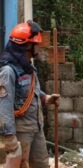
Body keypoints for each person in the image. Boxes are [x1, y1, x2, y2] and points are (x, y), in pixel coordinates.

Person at [0, 20, 60, 168]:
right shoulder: (8, 72)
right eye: (36, 44)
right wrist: (9, 138)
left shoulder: (28, 67)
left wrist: (46, 98)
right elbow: (4, 106)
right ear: (26, 46)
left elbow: (32, 91)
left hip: (37, 127)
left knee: (42, 165)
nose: (38, 46)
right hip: (21, 132)